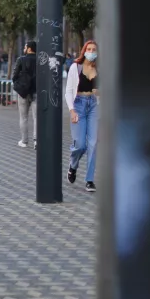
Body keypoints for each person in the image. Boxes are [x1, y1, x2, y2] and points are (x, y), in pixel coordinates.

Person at [64, 40, 99, 192]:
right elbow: (69, 91)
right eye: (89, 49)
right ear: (84, 51)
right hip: (78, 104)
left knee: (93, 143)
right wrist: (72, 110)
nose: (91, 52)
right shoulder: (75, 67)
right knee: (80, 144)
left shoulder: (99, 68)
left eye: (94, 50)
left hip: (94, 106)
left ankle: (89, 180)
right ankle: (73, 165)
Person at [12, 41, 38, 149]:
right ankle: (36, 141)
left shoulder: (21, 60)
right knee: (37, 118)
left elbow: (14, 76)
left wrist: (18, 85)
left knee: (23, 117)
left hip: (23, 92)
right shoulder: (40, 60)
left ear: (29, 49)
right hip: (36, 91)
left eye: (25, 47)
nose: (24, 48)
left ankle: (24, 141)